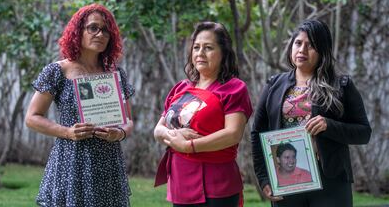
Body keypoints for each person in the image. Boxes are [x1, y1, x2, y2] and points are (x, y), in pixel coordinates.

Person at [251, 19, 371, 207]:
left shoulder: (341, 85)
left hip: (330, 181)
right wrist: (264, 178)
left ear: (323, 50)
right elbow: (257, 133)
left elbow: (364, 133)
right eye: (298, 43)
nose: (302, 50)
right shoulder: (274, 85)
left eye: (311, 45)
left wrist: (329, 125)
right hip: (286, 181)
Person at [25, 3, 135, 207]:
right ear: (78, 31)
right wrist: (67, 132)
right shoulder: (57, 71)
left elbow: (128, 121)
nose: (100, 34)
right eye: (93, 28)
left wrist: (119, 133)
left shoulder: (116, 74)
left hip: (108, 165)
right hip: (70, 163)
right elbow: (32, 118)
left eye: (105, 30)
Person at [154, 22, 253, 207]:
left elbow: (233, 134)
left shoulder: (234, 88)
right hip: (181, 181)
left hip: (217, 184)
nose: (200, 53)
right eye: (196, 47)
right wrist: (174, 136)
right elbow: (158, 130)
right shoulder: (182, 88)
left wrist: (188, 146)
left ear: (223, 53)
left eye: (208, 48)